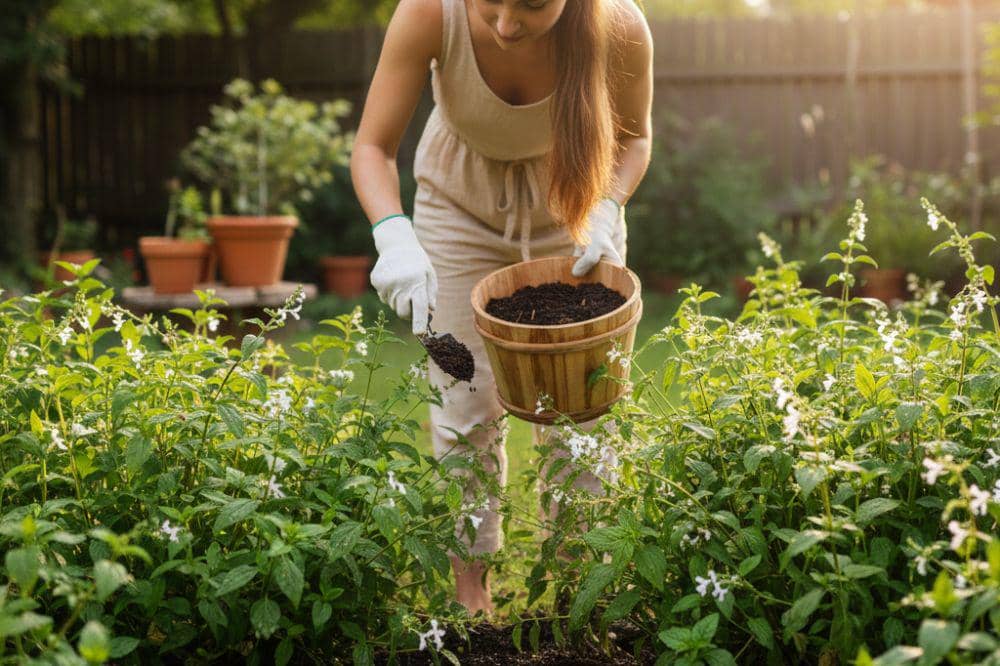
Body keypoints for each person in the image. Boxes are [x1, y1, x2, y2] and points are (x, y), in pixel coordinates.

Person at [350, 0, 653, 616]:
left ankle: (578, 585)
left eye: (534, 6)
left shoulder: (619, 24)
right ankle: (472, 592)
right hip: (458, 208)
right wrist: (392, 232)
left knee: (585, 407)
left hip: (573, 208)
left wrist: (609, 205)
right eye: (492, 1)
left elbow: (636, 136)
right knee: (463, 400)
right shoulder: (429, 13)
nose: (508, 25)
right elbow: (372, 147)